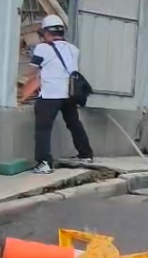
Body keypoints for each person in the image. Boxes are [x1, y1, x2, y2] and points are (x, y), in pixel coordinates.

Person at [22, 15, 94, 174]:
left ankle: (44, 163)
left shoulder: (42, 48)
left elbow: (32, 70)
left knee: (43, 129)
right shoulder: (74, 49)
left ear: (46, 32)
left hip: (49, 95)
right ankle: (86, 154)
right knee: (74, 123)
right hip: (69, 94)